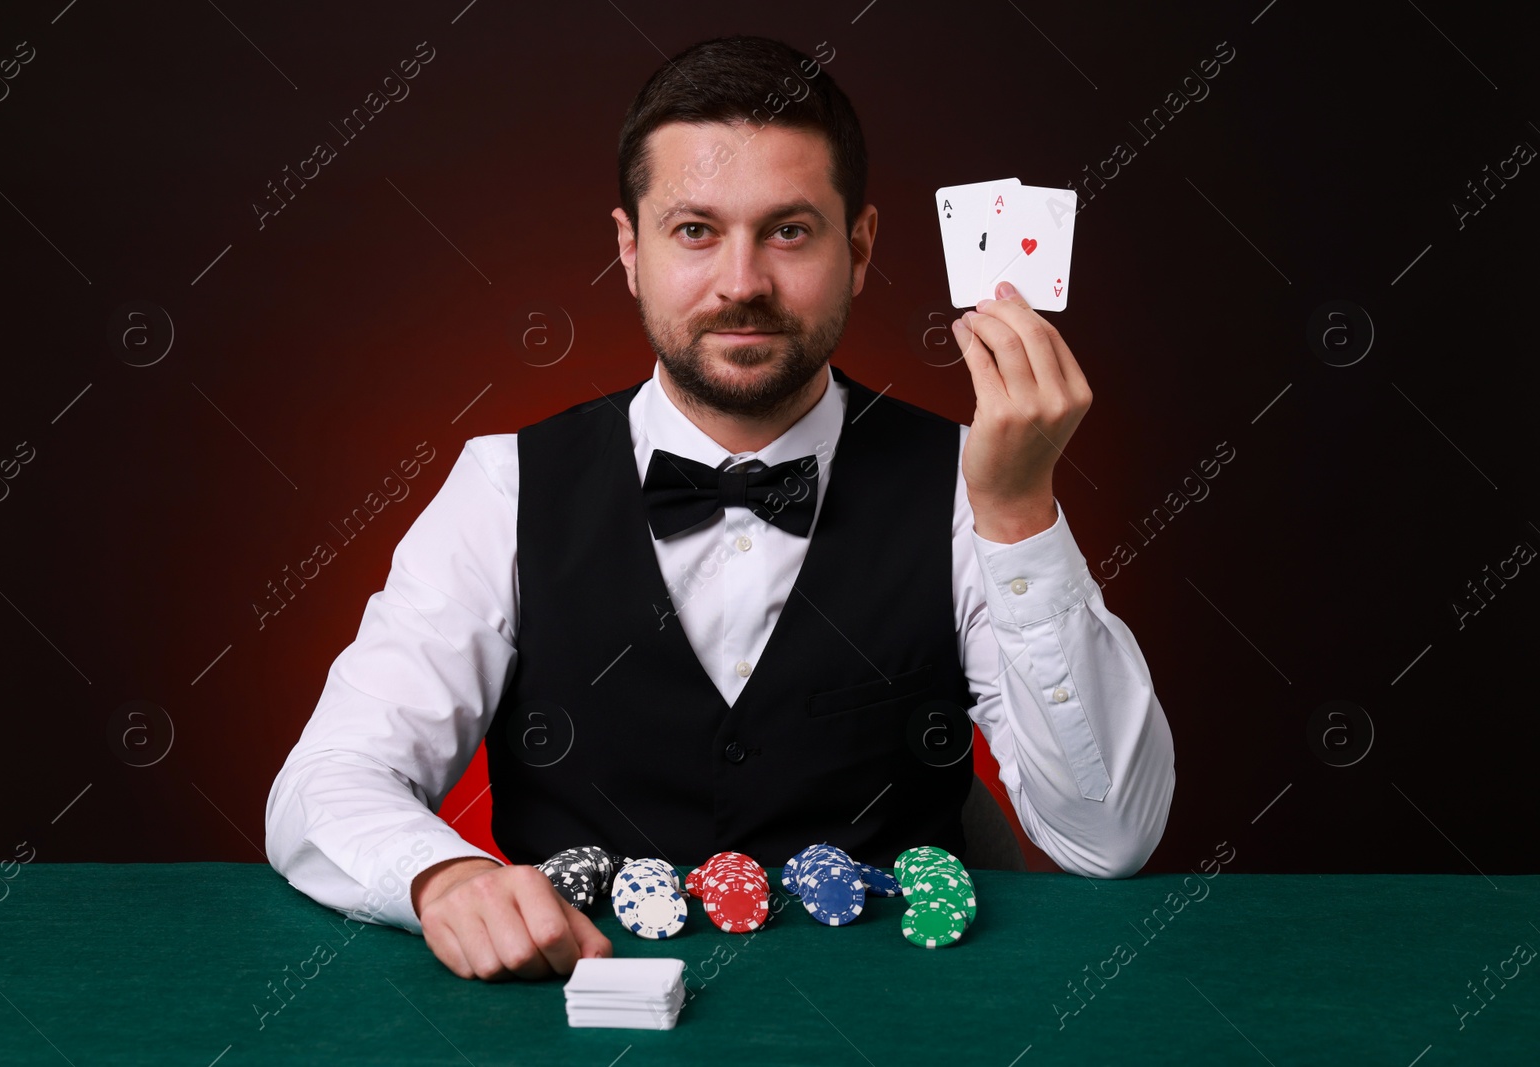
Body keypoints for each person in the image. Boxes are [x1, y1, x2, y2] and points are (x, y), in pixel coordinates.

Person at [265, 34, 1174, 983]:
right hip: (578, 1013)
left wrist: (1020, 511)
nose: (742, 282)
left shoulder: (967, 486)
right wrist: (442, 876)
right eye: (695, 230)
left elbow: (1109, 838)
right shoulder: (505, 485)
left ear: (860, 248)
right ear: (630, 249)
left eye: (789, 230)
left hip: (901, 1023)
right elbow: (323, 785)